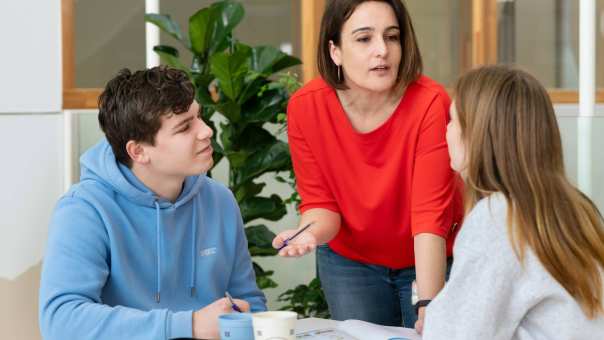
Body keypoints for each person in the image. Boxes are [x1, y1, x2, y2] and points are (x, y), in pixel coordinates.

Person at [271, 0, 463, 331]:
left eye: (392, 37)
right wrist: (307, 233)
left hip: (429, 256)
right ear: (335, 51)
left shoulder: (430, 102)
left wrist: (430, 304)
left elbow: (430, 216)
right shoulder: (306, 108)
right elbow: (321, 206)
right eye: (364, 39)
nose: (382, 51)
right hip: (351, 262)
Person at [39, 66, 267, 340]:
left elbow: (248, 304)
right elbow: (61, 320)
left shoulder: (219, 200)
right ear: (138, 151)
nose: (206, 131)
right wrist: (189, 325)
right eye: (185, 127)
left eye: (199, 117)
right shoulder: (85, 210)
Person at [423, 65, 604, 339]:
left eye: (452, 121)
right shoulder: (577, 208)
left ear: (477, 135)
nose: (446, 132)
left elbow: (452, 334)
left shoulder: (498, 218)